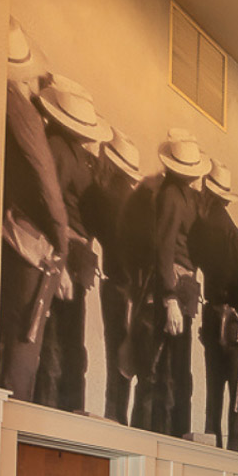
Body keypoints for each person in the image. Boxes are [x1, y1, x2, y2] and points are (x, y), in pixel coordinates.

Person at [0, 22, 70, 406]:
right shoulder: (22, 111)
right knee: (24, 347)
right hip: (28, 244)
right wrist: (62, 248)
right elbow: (47, 185)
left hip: (2, 234)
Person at [34, 77, 111, 413]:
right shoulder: (58, 148)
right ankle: (52, 417)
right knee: (55, 346)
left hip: (77, 256)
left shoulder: (75, 154)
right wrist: (59, 262)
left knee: (71, 348)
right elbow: (49, 207)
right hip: (63, 253)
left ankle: (68, 416)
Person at [141, 134, 210, 435]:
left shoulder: (185, 196)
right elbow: (164, 248)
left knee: (178, 373)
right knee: (164, 373)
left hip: (183, 290)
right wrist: (169, 298)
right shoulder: (171, 196)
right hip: (172, 292)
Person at [191, 164, 238, 445]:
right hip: (234, 320)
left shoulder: (200, 227)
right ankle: (234, 452)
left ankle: (211, 446)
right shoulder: (233, 236)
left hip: (210, 313)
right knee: (237, 395)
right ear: (226, 199)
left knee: (213, 392)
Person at [91, 129, 144, 426]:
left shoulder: (109, 195)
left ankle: (115, 417)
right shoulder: (132, 200)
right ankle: (119, 417)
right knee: (127, 359)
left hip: (119, 286)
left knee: (117, 356)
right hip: (133, 289)